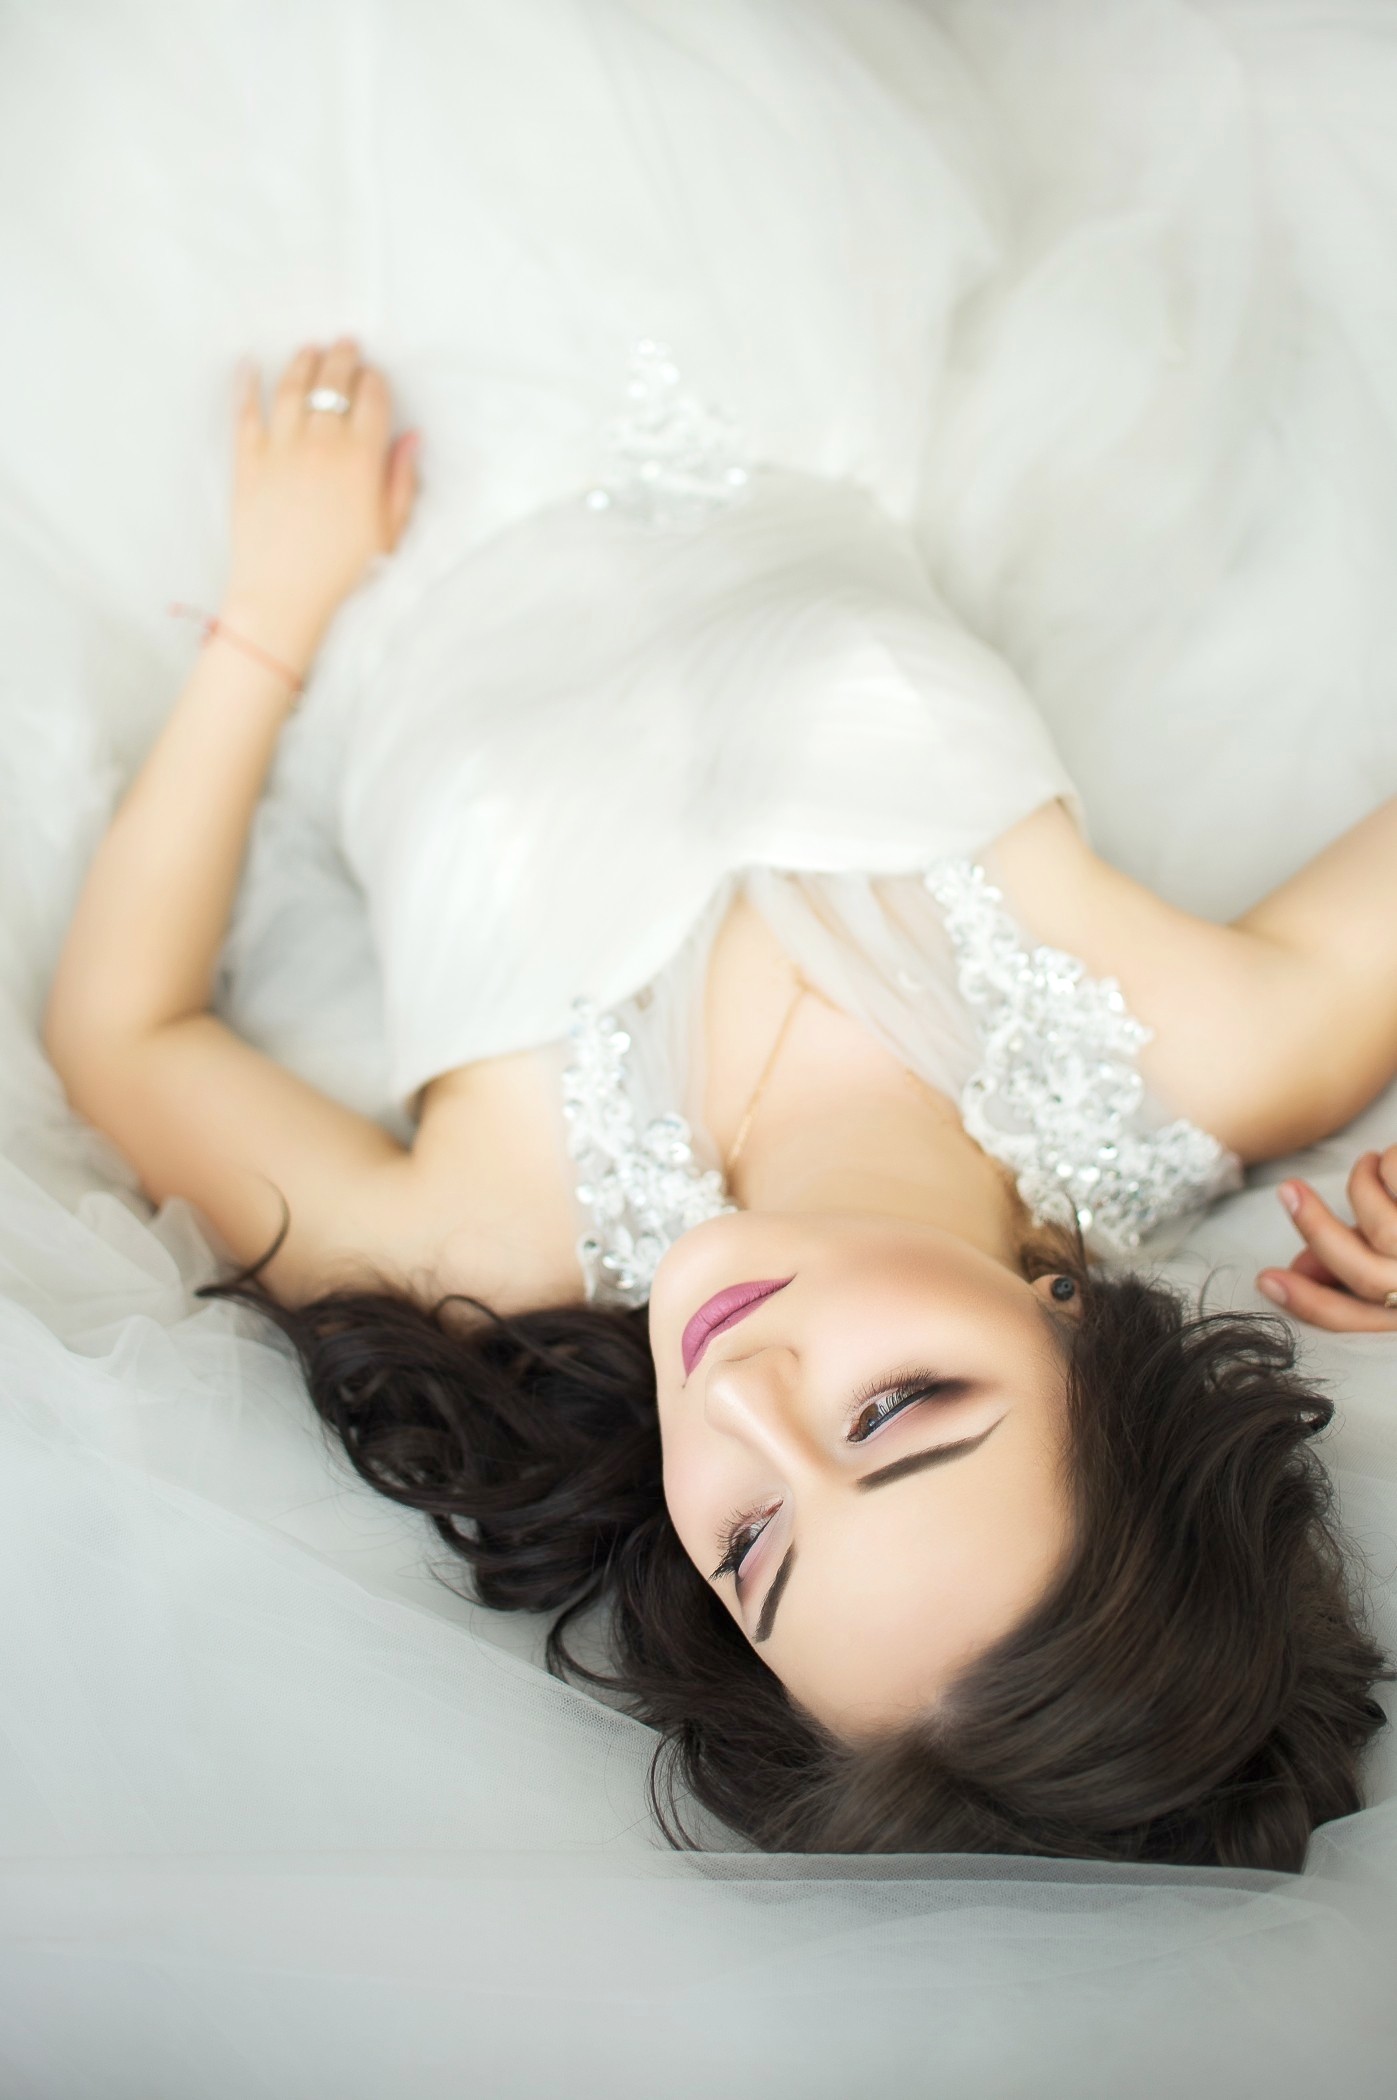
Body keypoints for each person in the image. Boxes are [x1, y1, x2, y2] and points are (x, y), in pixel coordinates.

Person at [41, 336, 1395, 1872]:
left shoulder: (495, 1241)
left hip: (331, 441)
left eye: (752, 1546)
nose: (741, 1398)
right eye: (892, 1413)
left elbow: (122, 1034)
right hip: (795, 335)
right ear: (1083, 1334)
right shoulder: (1200, 1048)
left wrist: (269, 617)